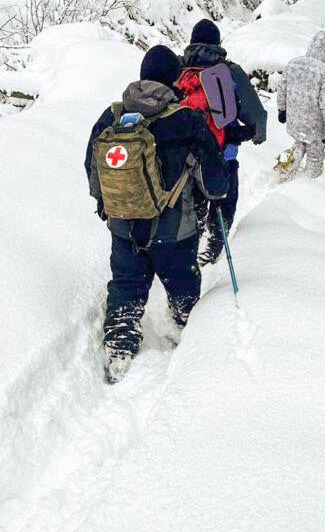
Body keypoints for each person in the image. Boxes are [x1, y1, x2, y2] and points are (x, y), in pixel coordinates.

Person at [85, 44, 228, 384]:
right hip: (176, 231)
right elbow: (214, 182)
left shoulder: (112, 116)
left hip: (124, 227)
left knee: (126, 286)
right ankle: (185, 335)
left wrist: (111, 209)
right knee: (182, 287)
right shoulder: (187, 119)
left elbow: (92, 170)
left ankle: (119, 349)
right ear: (174, 77)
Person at [178, 18, 267, 264]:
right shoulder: (230, 71)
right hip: (223, 155)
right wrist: (256, 135)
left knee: (192, 201)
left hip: (186, 157)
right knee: (223, 202)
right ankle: (214, 247)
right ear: (218, 43)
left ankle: (191, 241)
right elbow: (255, 115)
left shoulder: (179, 69)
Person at [276, 30, 325, 179]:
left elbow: (282, 89)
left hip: (295, 120)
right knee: (315, 155)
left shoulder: (293, 64)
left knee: (298, 144)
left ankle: (283, 168)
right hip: (315, 126)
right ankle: (308, 182)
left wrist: (282, 109)